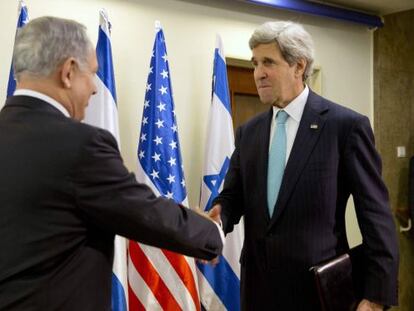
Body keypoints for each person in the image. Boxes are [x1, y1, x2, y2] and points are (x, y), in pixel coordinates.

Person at [0, 16, 223, 310]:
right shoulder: (81, 145)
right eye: (91, 74)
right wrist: (211, 234)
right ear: (68, 72)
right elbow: (143, 212)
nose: (94, 88)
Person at [211, 21, 399, 310]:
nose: (258, 73)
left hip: (319, 294)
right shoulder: (248, 132)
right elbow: (233, 197)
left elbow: (376, 218)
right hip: (258, 292)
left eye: (268, 63)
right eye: (255, 63)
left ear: (299, 66)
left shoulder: (345, 127)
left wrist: (376, 297)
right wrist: (217, 221)